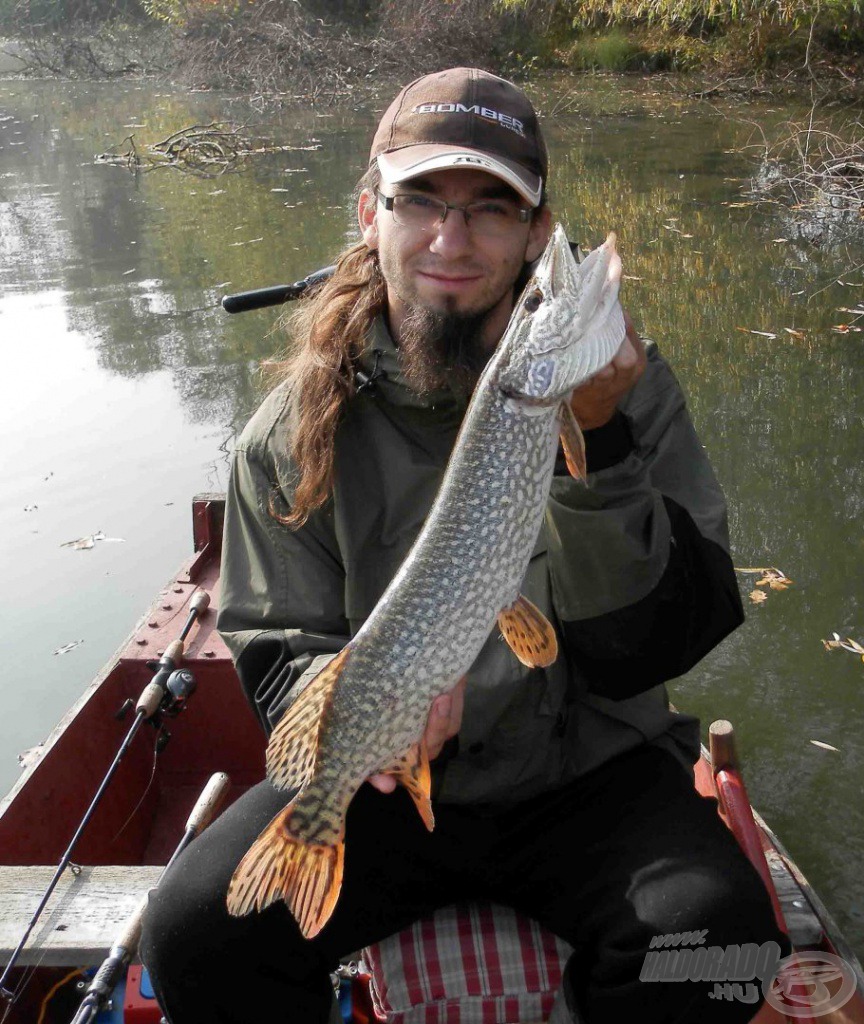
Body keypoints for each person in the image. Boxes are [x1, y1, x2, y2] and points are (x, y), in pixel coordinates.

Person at [141, 68, 789, 1023]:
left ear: (536, 230)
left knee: (720, 952)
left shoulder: (625, 390)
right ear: (371, 212)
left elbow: (648, 648)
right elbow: (279, 647)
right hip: (390, 793)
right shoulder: (288, 435)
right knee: (196, 939)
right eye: (421, 204)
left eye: (492, 209)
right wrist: (373, 734)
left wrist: (599, 439)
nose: (452, 239)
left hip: (589, 773)